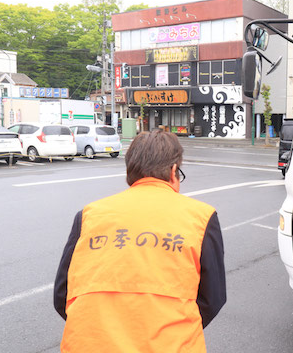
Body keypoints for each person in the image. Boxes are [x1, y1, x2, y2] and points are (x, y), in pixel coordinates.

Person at [54, 130, 226, 352]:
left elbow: (62, 294)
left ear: (130, 172)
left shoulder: (89, 215)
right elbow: (212, 299)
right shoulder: (201, 217)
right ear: (174, 171)